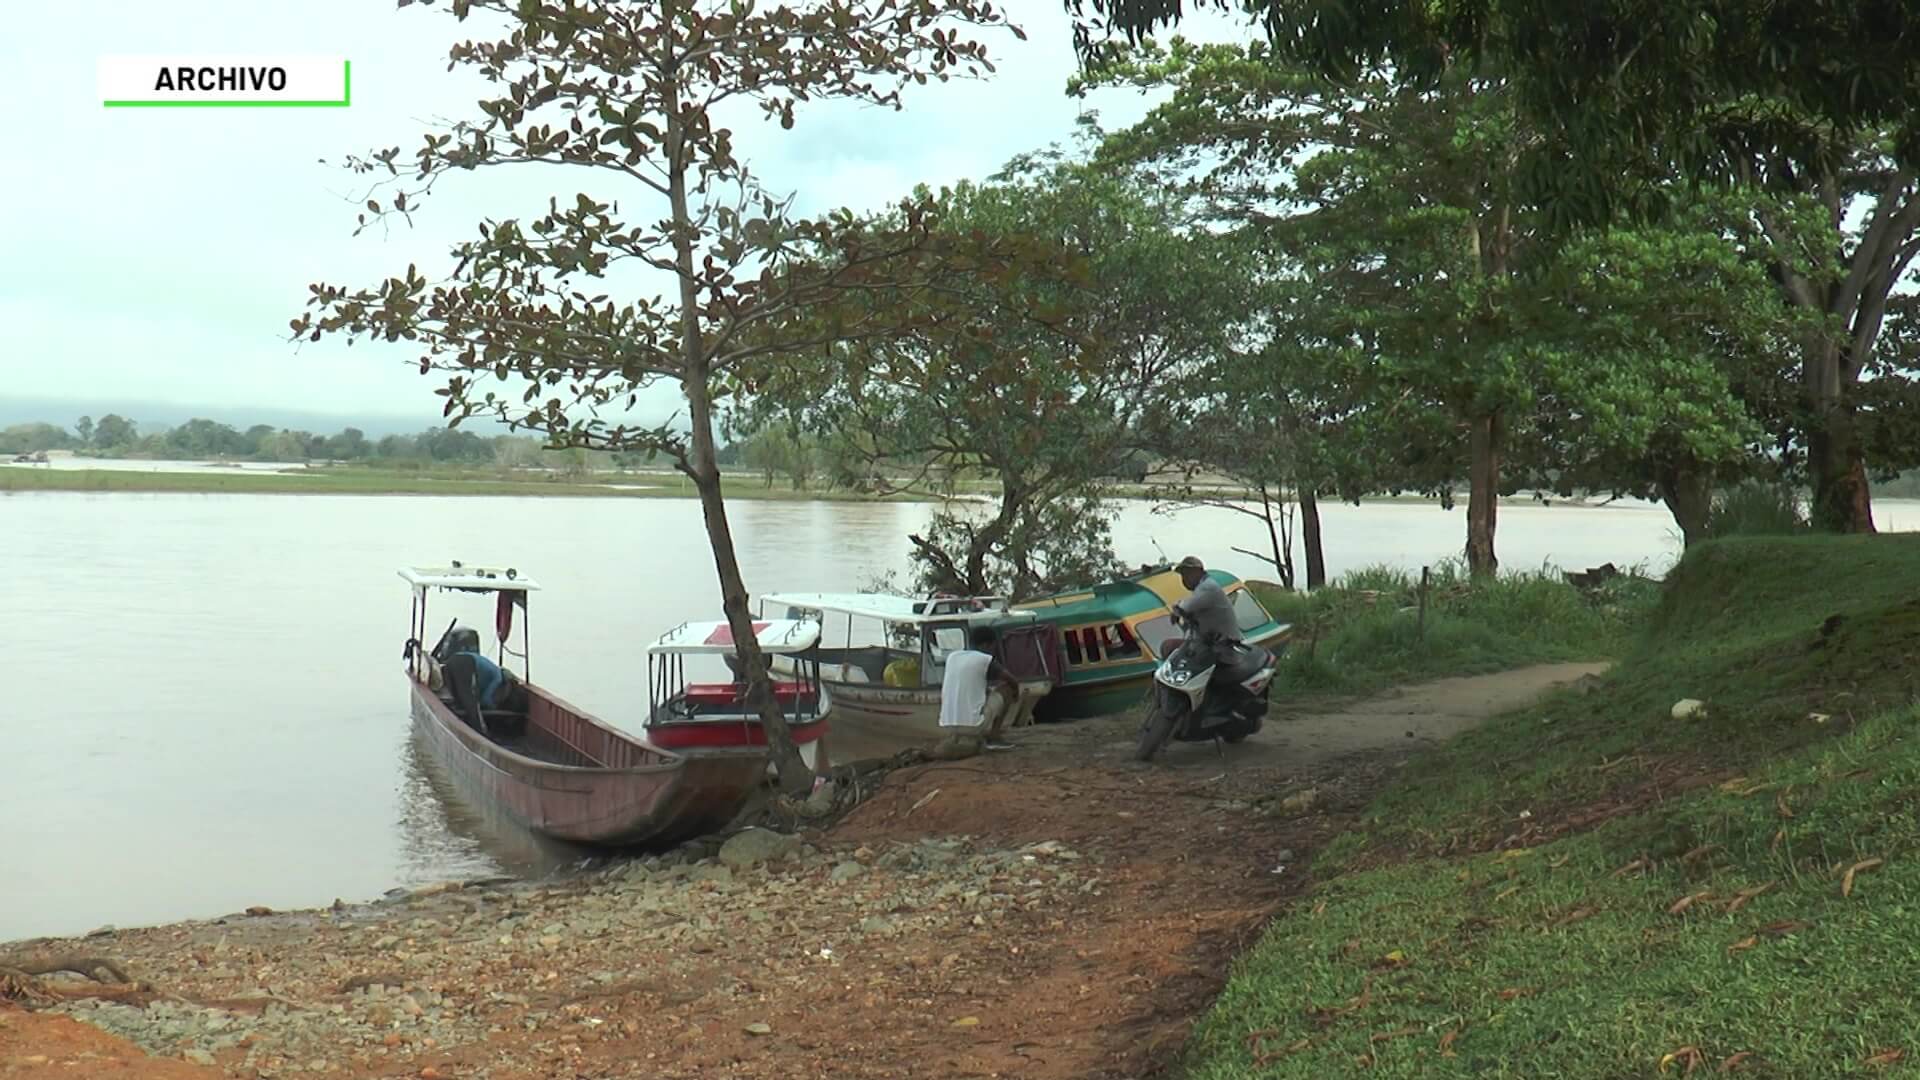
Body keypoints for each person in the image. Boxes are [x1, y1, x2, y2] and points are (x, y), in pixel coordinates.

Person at [933, 626, 1020, 759]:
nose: (993, 650)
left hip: (947, 726)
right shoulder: (985, 659)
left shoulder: (953, 656)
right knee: (1006, 689)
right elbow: (1012, 680)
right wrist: (1016, 695)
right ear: (986, 644)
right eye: (993, 646)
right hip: (972, 726)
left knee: (983, 691)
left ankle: (958, 736)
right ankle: (994, 738)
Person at [1171, 555, 1240, 643]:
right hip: (1214, 643)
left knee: (1169, 646)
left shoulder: (1207, 587)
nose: (1184, 579)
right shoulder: (1202, 588)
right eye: (1183, 575)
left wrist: (1176, 610)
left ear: (1198, 572)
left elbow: (1184, 607)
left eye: (1187, 573)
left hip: (1224, 645)